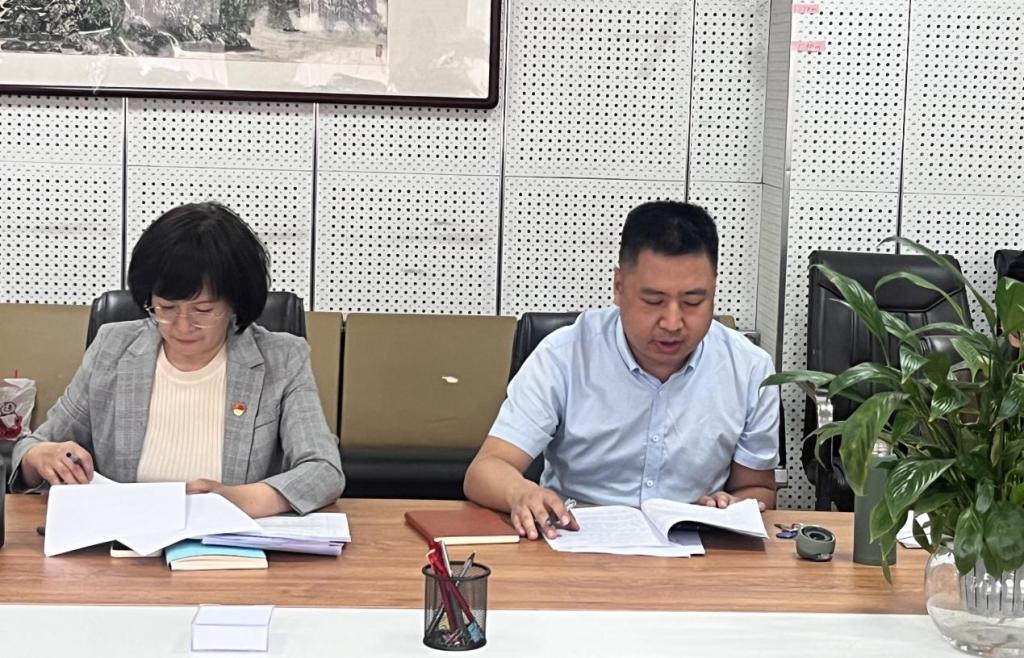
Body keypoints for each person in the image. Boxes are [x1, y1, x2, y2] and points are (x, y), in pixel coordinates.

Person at [464, 201, 779, 539]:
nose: (672, 323)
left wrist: (734, 504)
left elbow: (757, 489)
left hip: (694, 551)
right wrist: (521, 493)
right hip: (574, 543)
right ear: (618, 286)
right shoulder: (565, 355)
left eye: (693, 302)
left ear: (714, 289)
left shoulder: (749, 369)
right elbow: (486, 469)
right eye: (654, 301)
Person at [10, 202, 345, 517]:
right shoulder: (113, 347)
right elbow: (33, 447)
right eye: (167, 308)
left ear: (234, 303)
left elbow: (323, 470)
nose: (182, 326)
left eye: (203, 310)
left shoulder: (281, 358)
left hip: (228, 544)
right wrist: (41, 457)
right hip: (126, 544)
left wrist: (239, 500)